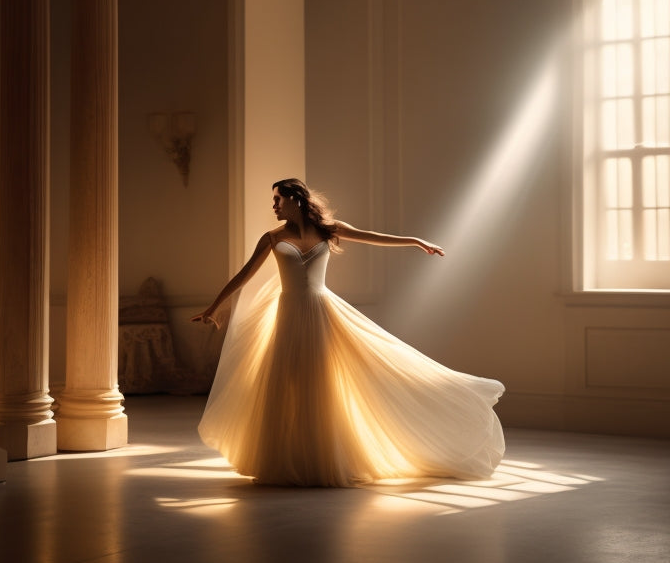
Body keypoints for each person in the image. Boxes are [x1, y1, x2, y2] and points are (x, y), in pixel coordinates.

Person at [192, 178, 505, 487]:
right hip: (286, 318)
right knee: (285, 386)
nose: (273, 206)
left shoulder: (329, 229)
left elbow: (374, 237)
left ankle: (324, 456)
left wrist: (414, 241)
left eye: (278, 199)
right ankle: (287, 457)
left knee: (324, 385)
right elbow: (243, 276)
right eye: (273, 200)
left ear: (295, 199)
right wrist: (214, 308)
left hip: (321, 314)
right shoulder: (272, 238)